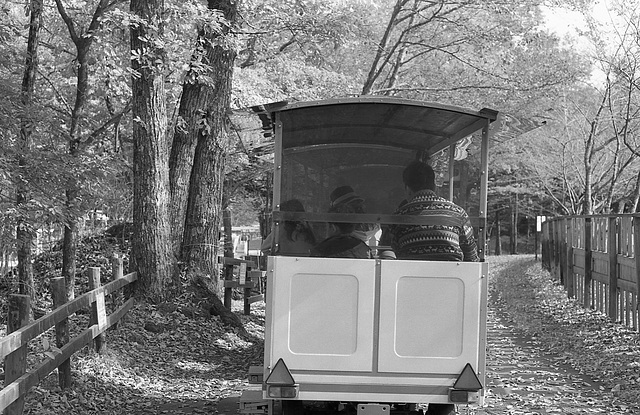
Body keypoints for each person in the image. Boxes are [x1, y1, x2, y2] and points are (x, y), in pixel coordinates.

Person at [388, 160, 479, 262]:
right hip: (453, 275)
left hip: (409, 275)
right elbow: (471, 256)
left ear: (408, 189)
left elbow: (392, 252)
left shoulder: (399, 215)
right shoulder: (458, 212)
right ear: (434, 186)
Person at [311, 186, 377, 258]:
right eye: (352, 207)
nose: (358, 210)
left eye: (357, 206)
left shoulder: (376, 227)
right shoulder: (362, 246)